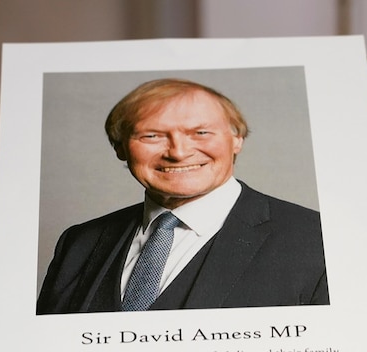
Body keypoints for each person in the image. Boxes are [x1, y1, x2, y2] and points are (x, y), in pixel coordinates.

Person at [36, 78, 329, 314]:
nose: (177, 152)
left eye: (200, 132)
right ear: (121, 148)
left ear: (237, 139)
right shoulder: (80, 243)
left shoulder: (317, 239)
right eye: (152, 136)